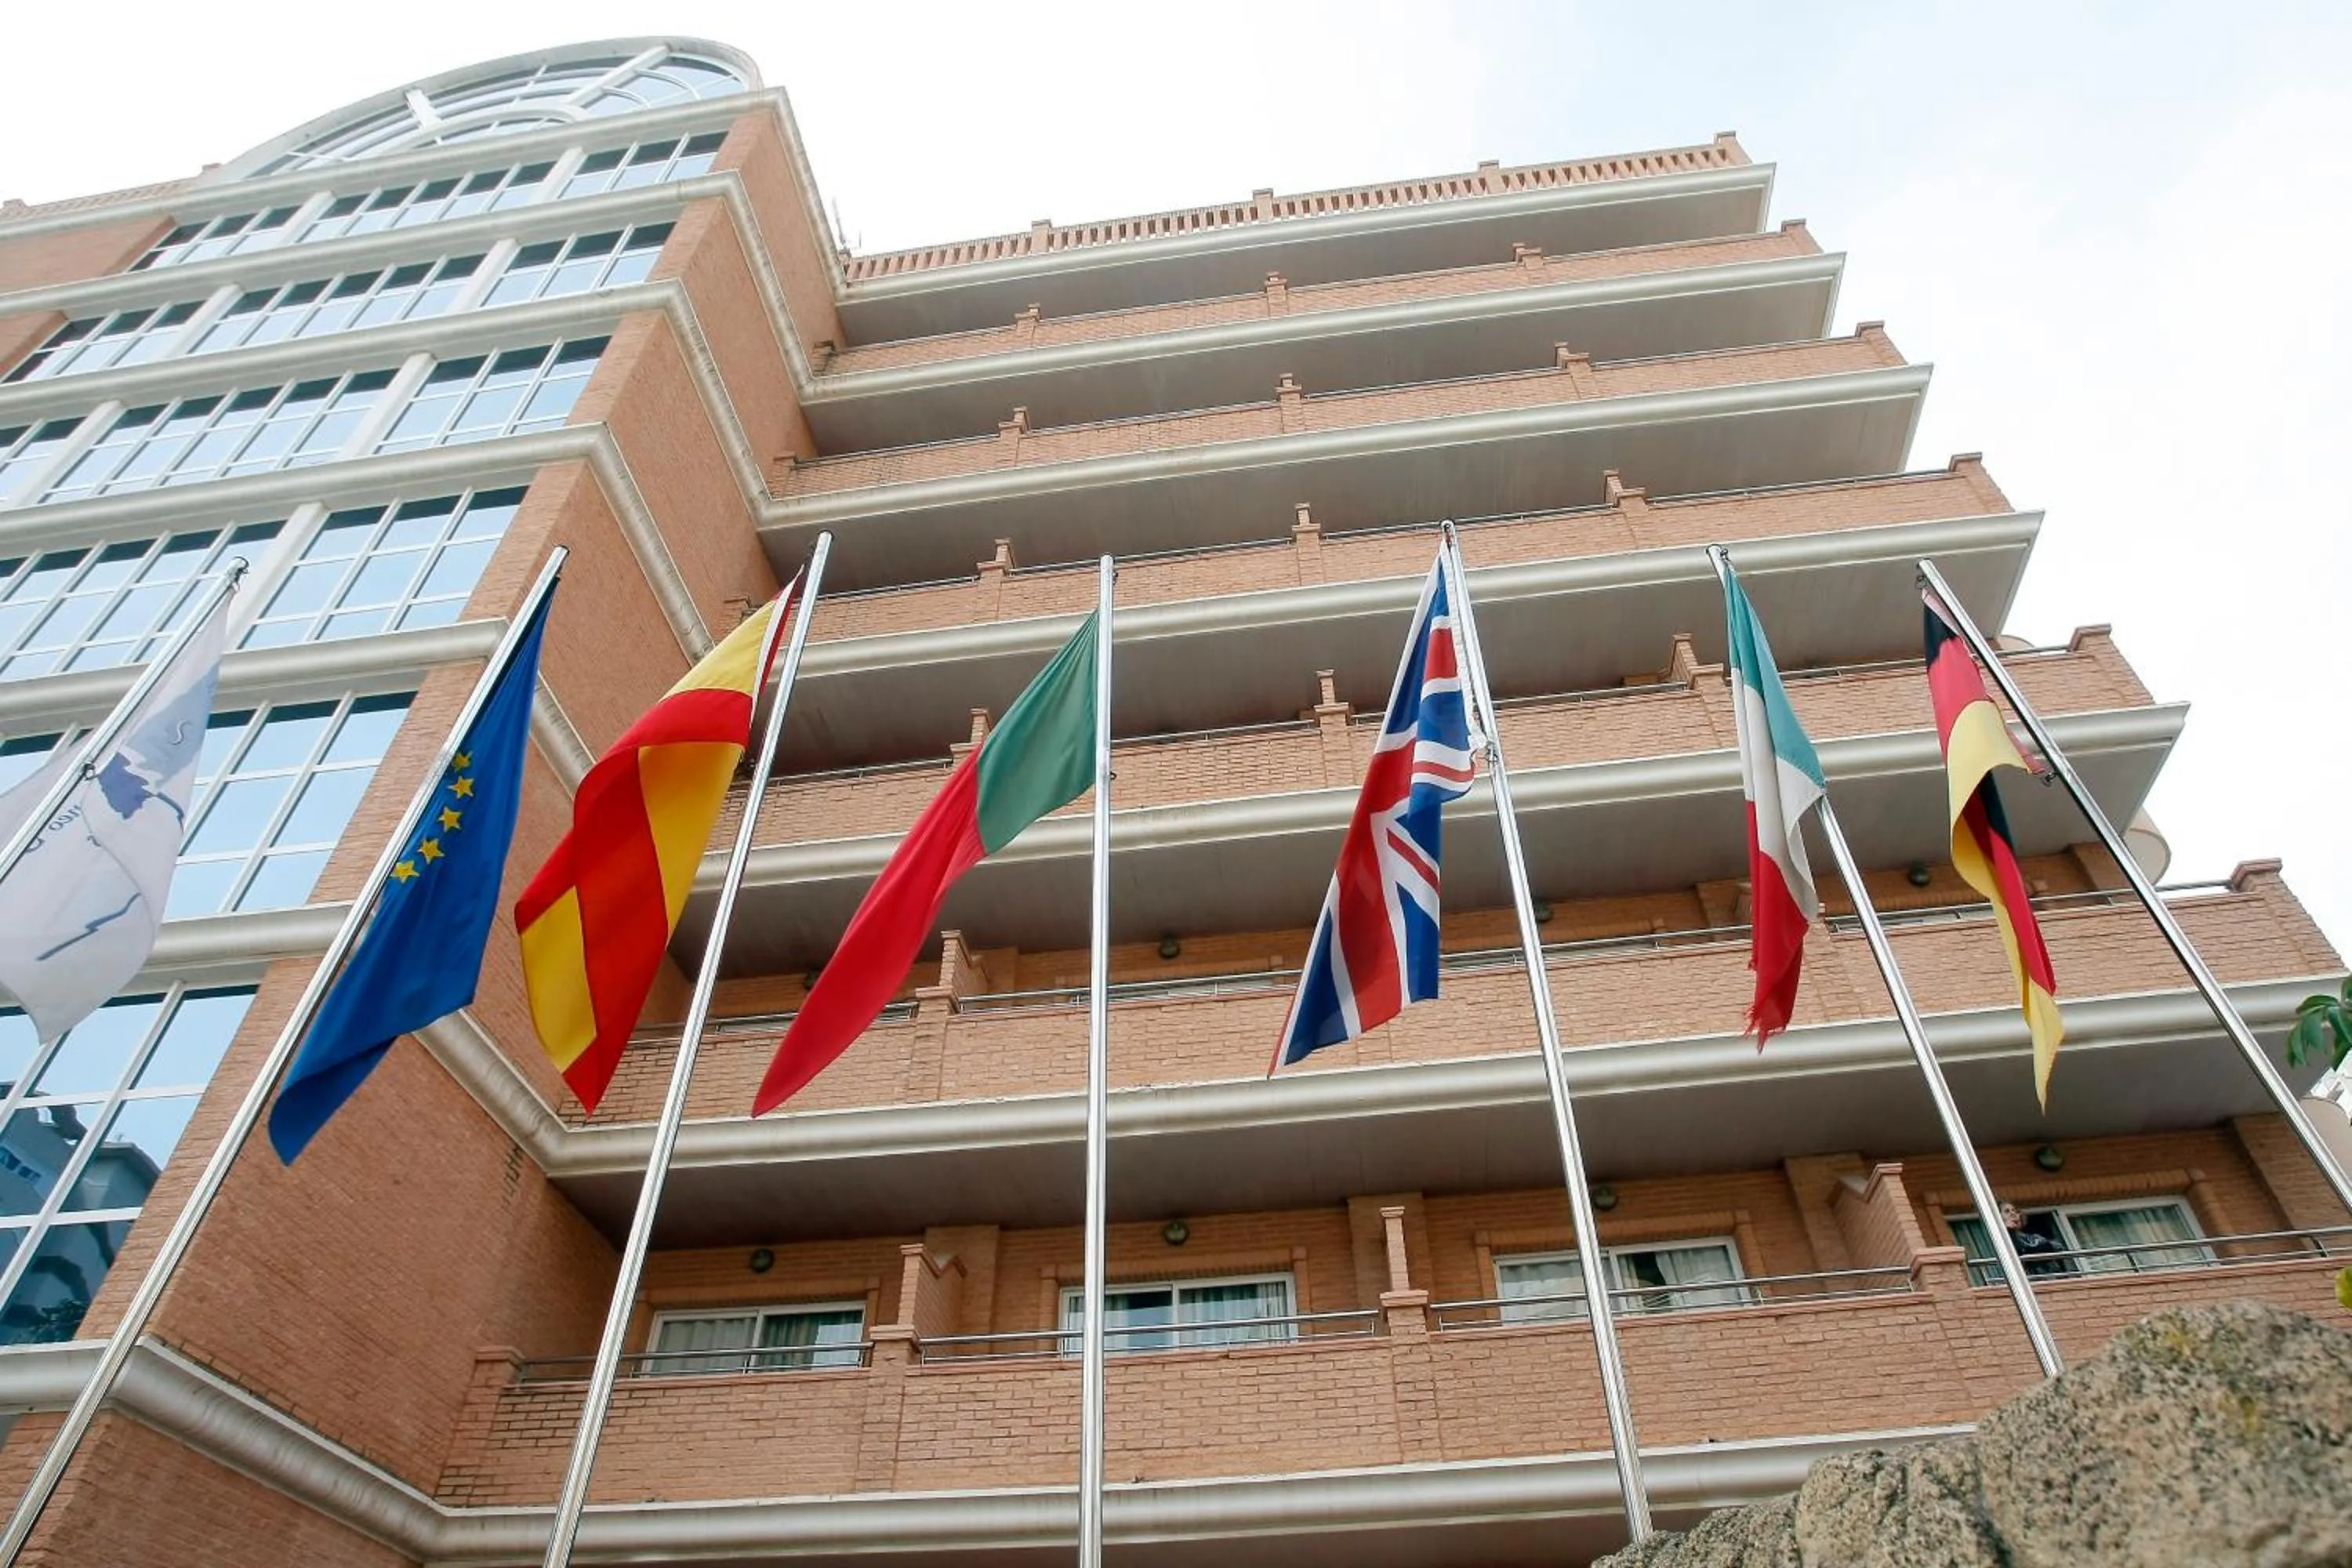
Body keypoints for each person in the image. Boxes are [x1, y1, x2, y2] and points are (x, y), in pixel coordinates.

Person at [2000, 1201, 2071, 1276]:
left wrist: (2011, 1231)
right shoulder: (1999, 1239)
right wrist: (2009, 1231)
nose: (2013, 1213)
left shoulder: (2030, 1238)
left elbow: (2055, 1246)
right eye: (2007, 1211)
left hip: (2044, 1277)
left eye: (2014, 1211)